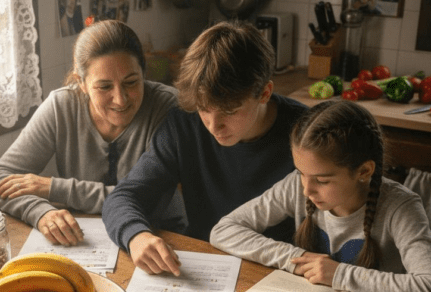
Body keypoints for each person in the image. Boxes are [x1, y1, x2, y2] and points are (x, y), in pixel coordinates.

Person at [102, 21, 308, 276]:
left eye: (230, 112)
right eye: (204, 109)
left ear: (264, 93)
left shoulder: (307, 133)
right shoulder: (183, 123)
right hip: (205, 262)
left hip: (280, 269)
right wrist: (136, 235)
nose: (213, 125)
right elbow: (123, 197)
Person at [210, 101, 431, 292]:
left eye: (323, 180)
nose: (307, 190)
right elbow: (224, 230)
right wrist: (297, 259)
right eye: (301, 173)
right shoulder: (296, 187)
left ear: (364, 171)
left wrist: (338, 275)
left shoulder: (400, 207)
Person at [0, 20, 180, 246]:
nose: (120, 99)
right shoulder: (61, 106)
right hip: (81, 240)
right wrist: (40, 212)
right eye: (104, 87)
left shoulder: (167, 107)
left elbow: (147, 200)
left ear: (144, 73)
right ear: (82, 83)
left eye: (131, 82)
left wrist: (53, 188)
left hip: (157, 236)